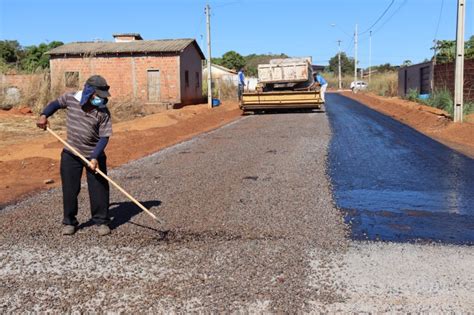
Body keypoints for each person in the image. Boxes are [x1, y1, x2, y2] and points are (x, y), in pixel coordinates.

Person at [36, 75, 113, 236]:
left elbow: (104, 137)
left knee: (99, 188)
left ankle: (101, 221)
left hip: (94, 154)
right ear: (88, 92)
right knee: (70, 189)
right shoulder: (71, 99)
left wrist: (94, 157)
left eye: (102, 96)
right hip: (71, 153)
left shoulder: (103, 112)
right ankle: (69, 221)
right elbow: (55, 104)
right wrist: (44, 115)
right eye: (98, 96)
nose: (101, 99)